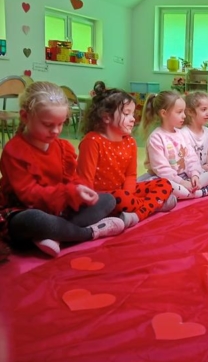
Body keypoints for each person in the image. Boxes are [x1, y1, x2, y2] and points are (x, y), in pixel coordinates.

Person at [0, 82, 124, 257]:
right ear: (25, 116)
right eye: (48, 124)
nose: (56, 131)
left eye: (61, 124)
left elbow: (71, 178)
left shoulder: (62, 147)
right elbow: (29, 195)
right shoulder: (14, 150)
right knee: (34, 220)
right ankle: (89, 232)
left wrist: (80, 189)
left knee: (108, 200)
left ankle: (55, 234)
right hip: (24, 209)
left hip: (59, 209)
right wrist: (69, 193)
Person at [77, 82, 176, 229]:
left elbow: (131, 175)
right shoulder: (92, 141)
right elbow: (85, 182)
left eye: (133, 114)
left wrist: (130, 195)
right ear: (106, 117)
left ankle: (137, 213)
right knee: (121, 198)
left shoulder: (130, 142)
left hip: (125, 193)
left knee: (164, 184)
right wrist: (125, 198)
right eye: (126, 114)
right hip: (102, 197)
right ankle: (152, 205)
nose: (133, 119)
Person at [140, 90, 208, 199]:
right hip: (165, 178)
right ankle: (199, 193)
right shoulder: (156, 138)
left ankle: (189, 191)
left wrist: (194, 174)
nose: (184, 116)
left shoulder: (182, 134)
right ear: (164, 113)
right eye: (179, 112)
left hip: (184, 176)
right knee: (167, 186)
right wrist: (181, 182)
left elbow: (191, 158)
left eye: (184, 112)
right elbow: (162, 170)